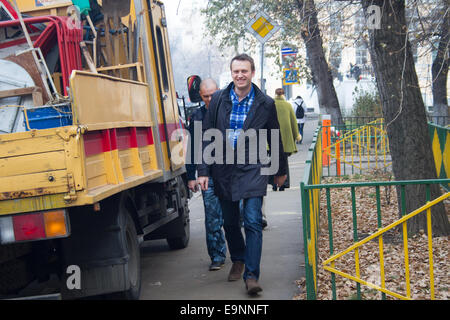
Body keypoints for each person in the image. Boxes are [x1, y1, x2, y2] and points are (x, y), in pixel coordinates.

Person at [197, 54, 287, 295]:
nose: (240, 75)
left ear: (252, 72)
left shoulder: (265, 103)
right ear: (231, 73)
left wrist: (280, 171)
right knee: (229, 221)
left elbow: (274, 137)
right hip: (224, 169)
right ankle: (238, 258)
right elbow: (206, 133)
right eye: (236, 71)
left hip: (254, 168)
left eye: (244, 71)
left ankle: (252, 276)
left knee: (253, 220)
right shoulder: (218, 99)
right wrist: (203, 170)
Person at [186, 78, 227, 271]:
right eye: (206, 96)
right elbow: (192, 147)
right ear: (201, 97)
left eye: (213, 94)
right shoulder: (197, 117)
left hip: (231, 174)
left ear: (219, 91)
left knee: (236, 217)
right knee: (212, 217)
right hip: (207, 175)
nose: (210, 99)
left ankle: (238, 253)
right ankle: (217, 255)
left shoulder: (231, 111)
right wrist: (190, 175)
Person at [271, 88, 301, 191]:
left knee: (274, 161)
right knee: (284, 162)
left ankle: (274, 184)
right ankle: (284, 184)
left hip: (272, 138)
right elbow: (293, 121)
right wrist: (297, 135)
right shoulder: (288, 105)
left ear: (275, 94)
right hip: (285, 140)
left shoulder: (271, 104)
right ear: (284, 94)